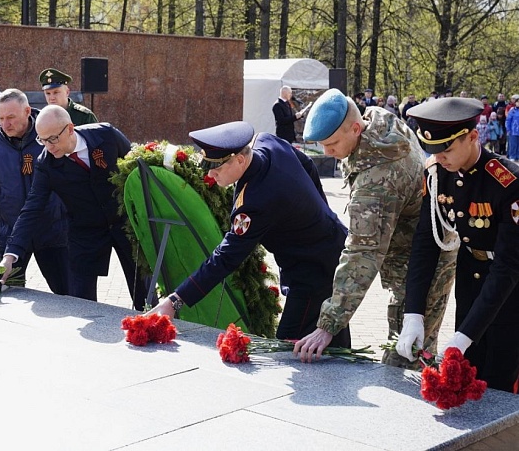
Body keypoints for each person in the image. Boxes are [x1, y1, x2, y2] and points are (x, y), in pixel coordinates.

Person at [146, 121, 351, 347]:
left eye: (216, 168)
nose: (211, 175)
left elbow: (225, 258)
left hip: (314, 270)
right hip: (332, 244)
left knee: (290, 346)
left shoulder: (255, 202)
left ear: (240, 159)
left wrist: (175, 301)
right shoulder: (267, 142)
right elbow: (308, 165)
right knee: (330, 341)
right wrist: (321, 214)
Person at [293, 89, 456, 365]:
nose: (327, 152)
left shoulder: (378, 180)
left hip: (421, 269)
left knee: (407, 359)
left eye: (331, 143)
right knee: (410, 351)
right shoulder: (378, 123)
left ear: (356, 128)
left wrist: (328, 325)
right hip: (418, 259)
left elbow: (362, 252)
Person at [396, 97, 519, 393]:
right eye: (433, 151)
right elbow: (426, 243)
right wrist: (413, 314)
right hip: (470, 275)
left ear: (473, 137)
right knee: (470, 373)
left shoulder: (508, 182)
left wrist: (465, 335)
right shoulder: (437, 175)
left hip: (510, 288)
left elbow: (506, 266)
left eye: (447, 149)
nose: (439, 158)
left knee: (502, 378)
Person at [0, 105, 147, 310]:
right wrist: (10, 254)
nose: (49, 147)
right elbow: (32, 208)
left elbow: (140, 168)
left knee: (145, 296)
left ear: (70, 128)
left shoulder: (106, 136)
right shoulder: (46, 164)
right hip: (85, 232)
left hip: (126, 225)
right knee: (81, 302)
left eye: (53, 139)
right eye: (42, 140)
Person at [0, 89, 70, 295]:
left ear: (27, 111)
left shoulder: (50, 136)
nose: (5, 124)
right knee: (5, 294)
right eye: (1, 118)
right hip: (11, 233)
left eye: (11, 117)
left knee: (68, 294)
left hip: (53, 232)